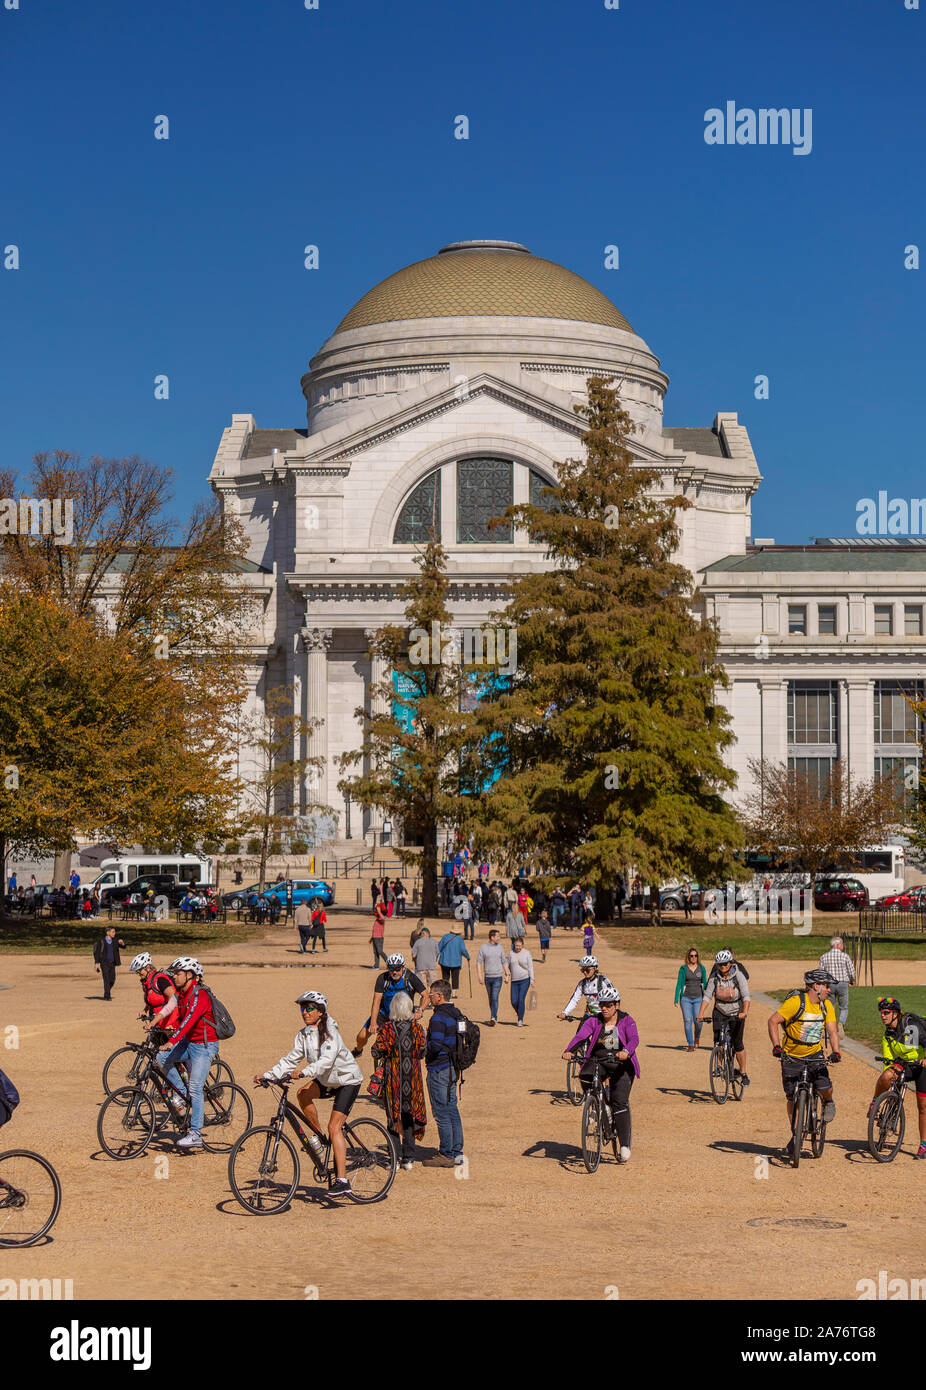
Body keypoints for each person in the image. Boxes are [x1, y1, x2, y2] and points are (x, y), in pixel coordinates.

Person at [256, 990, 362, 1195]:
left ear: (320, 1011)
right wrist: (268, 1075)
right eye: (302, 1008)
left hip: (347, 1080)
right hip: (327, 1080)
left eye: (309, 1008)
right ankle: (320, 1139)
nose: (304, 1012)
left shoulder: (330, 1032)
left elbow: (326, 1061)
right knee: (303, 1095)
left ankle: (342, 1180)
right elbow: (290, 1060)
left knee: (335, 1127)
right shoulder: (304, 1034)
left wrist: (305, 1072)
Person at [767, 969, 840, 1159]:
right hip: (792, 1055)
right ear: (816, 986)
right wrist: (776, 1047)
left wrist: (836, 1051)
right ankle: (796, 1135)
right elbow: (773, 1021)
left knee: (825, 1087)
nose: (829, 991)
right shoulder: (796, 1003)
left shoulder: (827, 1006)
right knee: (792, 1097)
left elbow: (832, 1031)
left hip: (815, 1054)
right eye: (827, 986)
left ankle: (828, 1102)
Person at [562, 983, 639, 1162]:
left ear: (617, 1005)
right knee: (585, 1074)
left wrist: (626, 1052)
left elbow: (634, 1038)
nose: (604, 1008)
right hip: (599, 1060)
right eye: (602, 1004)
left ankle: (624, 1144)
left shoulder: (627, 1020)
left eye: (609, 1005)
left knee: (620, 1102)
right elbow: (581, 1036)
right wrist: (569, 1050)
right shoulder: (594, 1020)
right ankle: (595, 1105)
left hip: (621, 1064)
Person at [155, 957, 218, 1150]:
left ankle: (196, 1134)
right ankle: (181, 1096)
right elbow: (169, 1008)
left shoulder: (200, 995)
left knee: (196, 1087)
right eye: (174, 973)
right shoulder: (181, 994)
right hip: (188, 1042)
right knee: (161, 1059)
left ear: (191, 976)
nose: (174, 976)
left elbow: (189, 1019)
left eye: (178, 973)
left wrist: (172, 1041)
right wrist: (154, 1021)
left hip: (204, 1045)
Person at [373, 993, 427, 1170]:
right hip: (413, 1081)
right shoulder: (417, 1029)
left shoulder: (387, 1029)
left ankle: (395, 1159)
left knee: (393, 1118)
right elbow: (422, 1052)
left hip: (393, 1080)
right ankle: (409, 1159)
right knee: (409, 1117)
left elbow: (376, 1051)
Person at [870, 997, 926, 1159]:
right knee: (887, 1076)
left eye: (886, 1012)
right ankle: (875, 1103)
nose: (883, 1015)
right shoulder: (888, 1033)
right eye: (881, 1012)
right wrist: (890, 1078)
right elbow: (888, 1062)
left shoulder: (910, 1026)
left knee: (922, 1107)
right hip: (905, 1065)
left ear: (895, 1014)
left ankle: (923, 1145)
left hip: (921, 1067)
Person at [421, 978, 465, 1168]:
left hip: (439, 1069)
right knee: (452, 1108)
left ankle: (446, 1153)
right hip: (453, 1068)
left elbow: (436, 1044)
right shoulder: (457, 1013)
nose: (429, 998)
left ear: (439, 996)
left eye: (431, 995)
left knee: (441, 1112)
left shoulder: (439, 1018)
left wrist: (425, 1044)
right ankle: (456, 1151)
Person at [697, 949, 751, 1086]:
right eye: (720, 964)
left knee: (737, 1043)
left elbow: (746, 996)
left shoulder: (738, 975)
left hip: (736, 1010)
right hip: (720, 1009)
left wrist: (744, 1012)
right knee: (718, 1040)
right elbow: (708, 996)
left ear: (730, 963)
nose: (722, 967)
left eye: (725, 964)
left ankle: (743, 1073)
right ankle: (719, 1067)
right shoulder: (715, 977)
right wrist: (701, 1013)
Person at [817, 936, 856, 1037]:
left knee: (830, 1007)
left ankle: (831, 1027)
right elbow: (851, 972)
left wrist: (823, 985)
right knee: (844, 1007)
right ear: (838, 945)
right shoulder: (845, 956)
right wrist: (852, 981)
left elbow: (821, 973)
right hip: (843, 983)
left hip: (830, 984)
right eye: (842, 944)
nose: (843, 946)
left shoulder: (824, 957)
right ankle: (841, 1023)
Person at [130, 953, 179, 1032]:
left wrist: (171, 1023)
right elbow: (153, 999)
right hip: (157, 1021)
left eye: (139, 970)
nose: (138, 973)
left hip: (168, 1023)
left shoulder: (159, 980)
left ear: (148, 967)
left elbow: (174, 999)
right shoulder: (147, 982)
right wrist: (145, 1010)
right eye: (137, 971)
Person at [557, 956, 613, 1021]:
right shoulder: (582, 984)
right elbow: (574, 999)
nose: (585, 972)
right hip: (590, 1013)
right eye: (583, 970)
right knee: (581, 1031)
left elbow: (613, 999)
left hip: (605, 1014)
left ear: (595, 968)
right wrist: (565, 1013)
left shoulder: (603, 982)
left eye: (587, 970)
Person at [674, 947, 706, 1050]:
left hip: (698, 998)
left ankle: (697, 1037)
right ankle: (691, 1044)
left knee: (698, 1022)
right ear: (688, 957)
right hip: (686, 999)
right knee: (687, 1021)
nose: (693, 957)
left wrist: (708, 995)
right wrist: (675, 999)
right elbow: (679, 984)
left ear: (698, 957)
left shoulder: (702, 968)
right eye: (691, 956)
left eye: (695, 956)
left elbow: (705, 984)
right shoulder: (683, 969)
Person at [476, 928, 509, 1025]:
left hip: (498, 977)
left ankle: (493, 1017)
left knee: (495, 997)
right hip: (487, 977)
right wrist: (479, 976)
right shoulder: (483, 948)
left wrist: (507, 974)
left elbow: (504, 961)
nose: (499, 938)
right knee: (490, 998)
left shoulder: (500, 948)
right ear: (492, 937)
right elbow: (478, 962)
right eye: (498, 936)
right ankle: (494, 1014)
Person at [93, 925, 126, 1001]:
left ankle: (106, 991)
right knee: (106, 979)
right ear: (108, 932)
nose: (114, 933)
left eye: (114, 932)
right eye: (113, 932)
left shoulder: (115, 940)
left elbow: (123, 947)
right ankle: (107, 996)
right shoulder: (101, 941)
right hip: (104, 963)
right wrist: (96, 963)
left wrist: (122, 943)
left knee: (112, 980)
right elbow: (97, 953)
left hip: (112, 963)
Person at [508, 937, 534, 1026]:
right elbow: (508, 966)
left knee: (521, 999)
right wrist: (506, 976)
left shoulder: (527, 953)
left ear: (522, 945)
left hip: (525, 979)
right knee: (514, 1001)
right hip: (514, 981)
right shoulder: (511, 953)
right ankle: (520, 1013)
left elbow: (530, 967)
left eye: (519, 946)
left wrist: (532, 979)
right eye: (516, 946)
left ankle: (520, 1019)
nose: (517, 947)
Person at [437, 925, 470, 997]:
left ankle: (445, 992)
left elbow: (439, 947)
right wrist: (468, 957)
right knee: (455, 977)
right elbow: (463, 950)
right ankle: (454, 993)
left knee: (445, 977)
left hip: (444, 960)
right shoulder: (460, 939)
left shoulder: (445, 937)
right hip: (456, 962)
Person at [370, 901, 388, 968]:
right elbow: (374, 930)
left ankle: (389, 963)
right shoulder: (377, 919)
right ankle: (376, 965)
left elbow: (382, 918)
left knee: (380, 951)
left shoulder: (381, 918)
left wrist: (379, 911)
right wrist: (371, 938)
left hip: (379, 938)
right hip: (375, 937)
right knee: (375, 952)